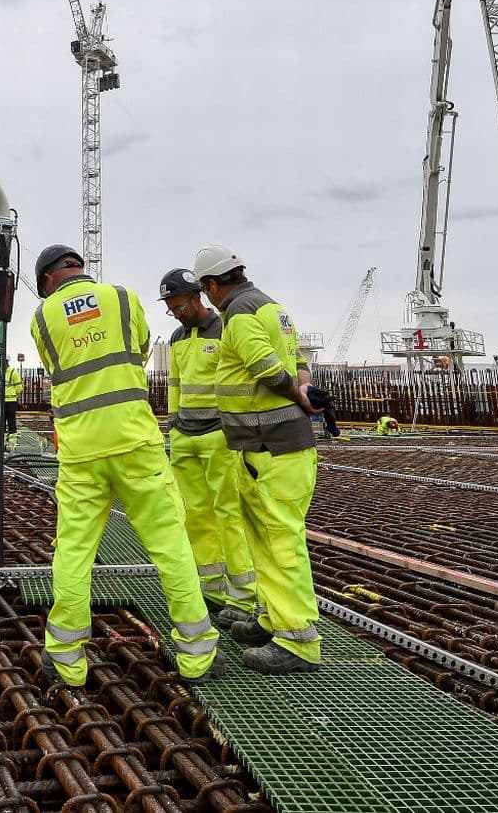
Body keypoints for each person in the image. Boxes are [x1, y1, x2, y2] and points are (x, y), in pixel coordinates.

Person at [32, 246, 217, 685]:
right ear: (80, 269)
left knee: (74, 551)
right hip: (135, 442)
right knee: (170, 544)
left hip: (80, 451)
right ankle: (197, 656)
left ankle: (66, 659)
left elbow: (55, 365)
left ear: (46, 282)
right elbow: (137, 348)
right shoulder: (121, 297)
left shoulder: (42, 317)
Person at [194, 242, 324, 676]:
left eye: (204, 289)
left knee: (280, 540)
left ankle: (298, 640)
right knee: (266, 539)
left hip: (273, 445)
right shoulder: (273, 308)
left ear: (213, 285)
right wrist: (304, 386)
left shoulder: (241, 314)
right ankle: (272, 619)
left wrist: (297, 394)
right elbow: (299, 359)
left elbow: (266, 367)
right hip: (264, 447)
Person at [160, 268, 258, 626]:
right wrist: (173, 426)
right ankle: (211, 586)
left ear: (198, 297)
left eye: (179, 305)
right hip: (186, 436)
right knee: (195, 514)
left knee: (229, 513)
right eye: (170, 308)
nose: (176, 312)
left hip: (219, 435)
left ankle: (244, 595)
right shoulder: (176, 337)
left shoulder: (225, 330)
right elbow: (175, 383)